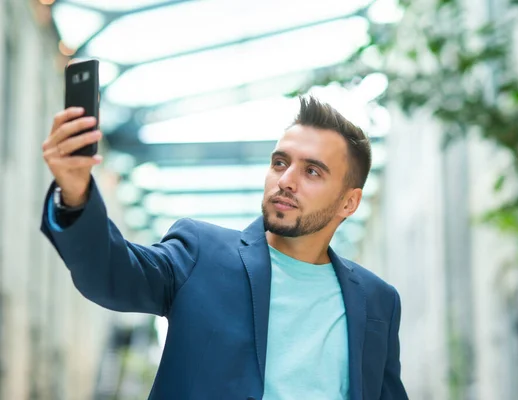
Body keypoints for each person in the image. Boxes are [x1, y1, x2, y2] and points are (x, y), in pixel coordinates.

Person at [40, 96, 409, 400]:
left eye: (312, 171)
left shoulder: (378, 300)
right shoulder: (201, 254)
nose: (285, 180)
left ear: (349, 203)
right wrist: (76, 193)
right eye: (280, 162)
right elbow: (109, 274)